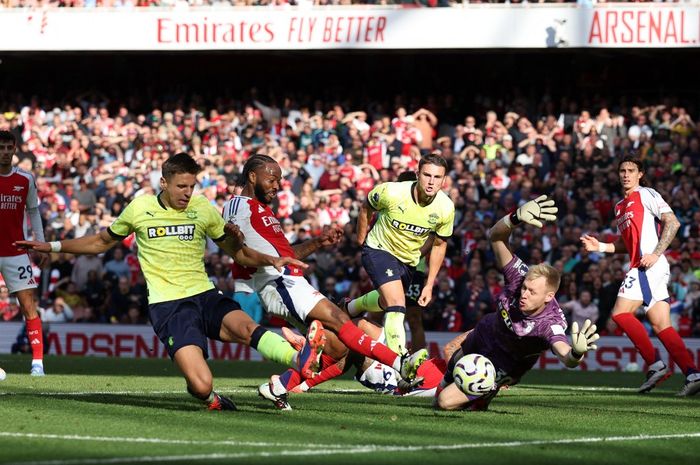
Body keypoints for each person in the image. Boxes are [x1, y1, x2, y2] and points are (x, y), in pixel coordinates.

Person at [17, 152, 321, 411]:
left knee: (246, 327)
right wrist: (54, 247)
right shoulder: (140, 208)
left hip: (204, 294)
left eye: (191, 186)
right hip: (168, 305)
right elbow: (100, 242)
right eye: (181, 186)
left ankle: (300, 359)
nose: (187, 193)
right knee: (201, 385)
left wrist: (271, 259)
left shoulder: (202, 208)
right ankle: (212, 398)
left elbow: (238, 253)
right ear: (164, 183)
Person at [222, 154, 428, 410]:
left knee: (338, 346)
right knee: (342, 321)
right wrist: (235, 235)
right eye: (272, 179)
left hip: (289, 281)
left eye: (280, 181)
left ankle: (278, 386)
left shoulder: (264, 211)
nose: (277, 186)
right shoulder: (239, 204)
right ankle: (400, 364)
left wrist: (318, 242)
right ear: (252, 176)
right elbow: (234, 243)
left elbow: (286, 256)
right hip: (277, 284)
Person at [435, 196, 600, 411]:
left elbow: (565, 356)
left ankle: (485, 393)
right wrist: (515, 217)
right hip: (485, 333)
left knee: (445, 403)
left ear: (548, 297)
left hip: (505, 362)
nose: (524, 294)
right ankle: (470, 392)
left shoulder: (550, 323)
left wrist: (576, 353)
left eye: (532, 292)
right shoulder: (519, 276)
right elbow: (495, 237)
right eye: (524, 288)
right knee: (440, 390)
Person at [581, 156, 700, 396]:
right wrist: (601, 247)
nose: (626, 174)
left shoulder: (646, 194)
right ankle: (693, 374)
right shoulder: (619, 207)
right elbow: (626, 244)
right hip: (646, 265)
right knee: (661, 325)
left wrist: (656, 254)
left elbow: (673, 223)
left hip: (648, 265)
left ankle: (655, 365)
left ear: (640, 174)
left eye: (631, 170)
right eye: (622, 170)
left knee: (620, 313)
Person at [344, 153, 455, 355]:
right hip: (379, 249)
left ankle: (350, 309)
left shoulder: (445, 207)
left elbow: (439, 245)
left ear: (444, 180)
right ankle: (400, 362)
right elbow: (366, 207)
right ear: (417, 174)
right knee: (397, 304)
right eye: (427, 175)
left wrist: (429, 284)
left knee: (387, 303)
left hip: (409, 262)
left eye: (437, 177)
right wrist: (360, 240)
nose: (431, 182)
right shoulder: (392, 191)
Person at [271, 320, 445, 398]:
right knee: (360, 328)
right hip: (404, 368)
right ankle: (302, 362)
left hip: (394, 381)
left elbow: (449, 347)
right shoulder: (463, 367)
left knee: (354, 342)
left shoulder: (460, 382)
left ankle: (303, 375)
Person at [0, 130, 47, 376]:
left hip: (16, 251)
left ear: (15, 149)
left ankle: (37, 363)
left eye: (9, 148)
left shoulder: (25, 179)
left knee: (28, 305)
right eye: (2, 148)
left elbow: (34, 211)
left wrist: (40, 242)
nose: (6, 152)